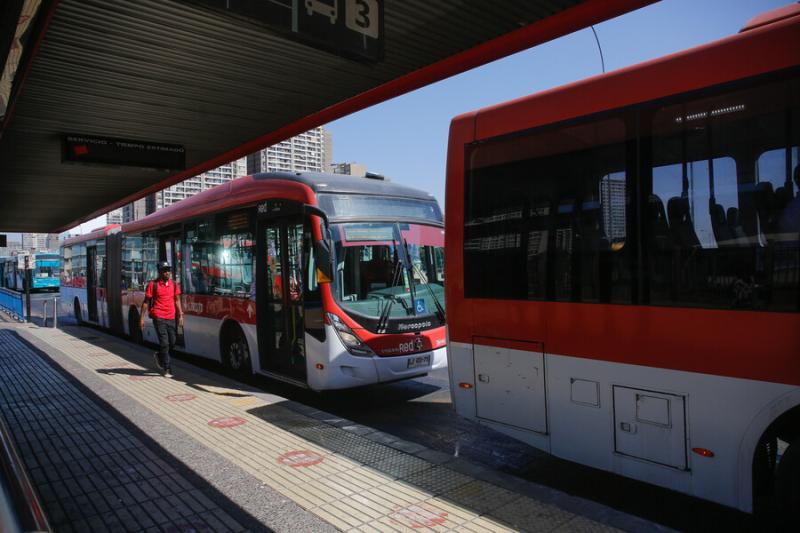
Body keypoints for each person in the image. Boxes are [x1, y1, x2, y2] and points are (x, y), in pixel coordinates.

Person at [140, 261, 184, 377]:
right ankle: (167, 368)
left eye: (168, 270)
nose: (167, 272)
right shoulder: (153, 285)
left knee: (172, 342)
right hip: (158, 317)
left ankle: (160, 355)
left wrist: (180, 315)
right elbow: (146, 302)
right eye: (165, 270)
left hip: (171, 317)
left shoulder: (174, 284)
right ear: (159, 272)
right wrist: (141, 319)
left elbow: (177, 300)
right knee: (164, 343)